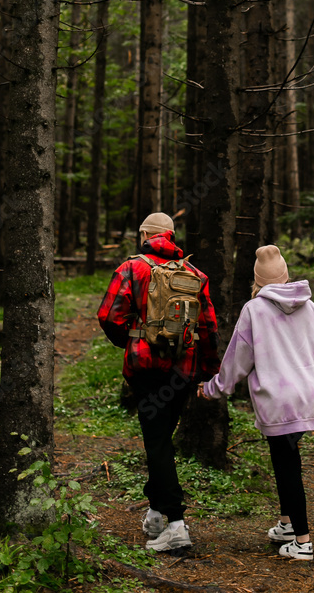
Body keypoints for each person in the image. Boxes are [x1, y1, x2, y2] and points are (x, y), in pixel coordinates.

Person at [197, 244, 314, 562]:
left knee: (287, 466)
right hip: (309, 397)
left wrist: (212, 389)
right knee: (284, 459)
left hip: (279, 402)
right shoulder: (311, 308)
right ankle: (288, 526)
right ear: (285, 276)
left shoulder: (254, 311)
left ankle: (302, 541)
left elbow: (236, 361)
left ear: (257, 281)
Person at [98, 212, 220, 552]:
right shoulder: (195, 274)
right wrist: (209, 371)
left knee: (157, 442)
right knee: (162, 438)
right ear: (171, 236)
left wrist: (132, 342)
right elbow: (208, 326)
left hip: (147, 370)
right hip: (185, 369)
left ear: (144, 236)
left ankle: (177, 525)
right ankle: (154, 514)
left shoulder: (132, 268)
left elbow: (108, 315)